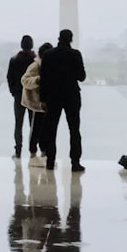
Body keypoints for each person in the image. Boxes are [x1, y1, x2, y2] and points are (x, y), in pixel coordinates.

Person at [39, 29, 87, 172]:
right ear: (71, 39)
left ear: (58, 38)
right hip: (71, 96)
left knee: (51, 130)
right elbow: (81, 76)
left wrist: (43, 99)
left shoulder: (48, 55)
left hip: (53, 97)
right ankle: (75, 162)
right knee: (74, 130)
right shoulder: (76, 55)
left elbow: (44, 79)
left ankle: (50, 161)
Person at [20, 42, 54, 167]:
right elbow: (24, 80)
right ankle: (33, 153)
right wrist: (38, 80)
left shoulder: (49, 65)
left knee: (44, 129)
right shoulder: (35, 66)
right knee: (36, 128)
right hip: (36, 102)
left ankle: (43, 153)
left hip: (45, 102)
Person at [6, 35, 37, 158]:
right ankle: (32, 150)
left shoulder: (14, 60)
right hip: (32, 95)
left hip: (19, 95)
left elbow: (9, 77)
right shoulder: (35, 61)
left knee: (18, 123)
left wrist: (13, 91)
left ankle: (18, 150)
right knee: (33, 124)